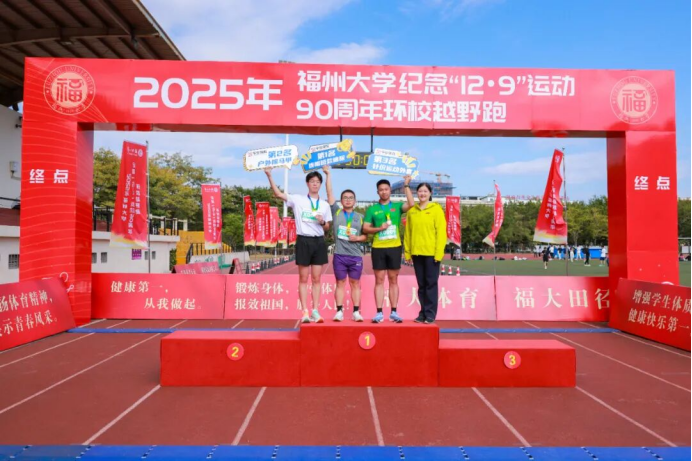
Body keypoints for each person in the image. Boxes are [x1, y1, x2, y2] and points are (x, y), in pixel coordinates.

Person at [265, 168, 332, 323]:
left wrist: (322, 221)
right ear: (307, 183)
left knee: (316, 278)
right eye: (312, 181)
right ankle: (305, 311)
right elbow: (278, 194)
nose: (315, 184)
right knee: (303, 278)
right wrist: (270, 176)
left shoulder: (324, 205)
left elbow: (327, 227)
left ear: (320, 184)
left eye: (317, 182)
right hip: (303, 241)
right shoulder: (298, 200)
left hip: (319, 241)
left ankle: (315, 310)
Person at [363, 177, 414, 323]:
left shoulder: (397, 206)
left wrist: (406, 185)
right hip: (378, 248)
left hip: (394, 247)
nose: (384, 192)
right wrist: (379, 228)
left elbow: (411, 204)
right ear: (377, 192)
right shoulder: (372, 209)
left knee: (393, 279)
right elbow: (365, 228)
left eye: (386, 189)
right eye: (381, 190)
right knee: (379, 280)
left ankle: (394, 312)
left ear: (390, 190)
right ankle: (379, 313)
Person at [323, 166, 367, 322]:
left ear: (355, 201)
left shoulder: (360, 217)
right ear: (341, 201)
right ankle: (339, 311)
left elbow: (366, 236)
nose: (348, 200)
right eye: (345, 198)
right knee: (340, 283)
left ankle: (356, 312)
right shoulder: (336, 212)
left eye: (351, 198)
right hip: (340, 255)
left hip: (355, 256)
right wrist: (328, 174)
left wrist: (357, 238)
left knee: (355, 283)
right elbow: (329, 193)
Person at [404, 183, 447, 324]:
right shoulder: (412, 212)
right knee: (421, 285)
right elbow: (408, 233)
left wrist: (438, 254)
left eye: (425, 191)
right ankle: (422, 313)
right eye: (420, 191)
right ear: (417, 193)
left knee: (431, 284)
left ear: (430, 193)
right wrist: (408, 253)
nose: (422, 194)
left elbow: (441, 233)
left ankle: (430, 314)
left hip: (431, 254)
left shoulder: (436, 210)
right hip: (417, 253)